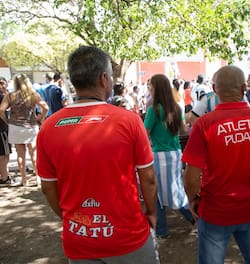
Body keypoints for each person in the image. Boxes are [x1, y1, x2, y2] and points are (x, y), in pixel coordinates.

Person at [36, 46, 159, 263]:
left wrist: (72, 220)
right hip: (127, 236)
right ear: (104, 78)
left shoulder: (48, 127)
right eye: (111, 77)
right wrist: (151, 212)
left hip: (79, 238)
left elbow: (48, 188)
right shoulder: (129, 121)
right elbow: (148, 178)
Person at [182, 65, 250, 264]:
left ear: (215, 89)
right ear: (244, 88)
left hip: (215, 210)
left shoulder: (205, 123)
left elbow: (192, 175)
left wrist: (193, 199)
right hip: (249, 207)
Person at [144, 74, 194, 238]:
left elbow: (145, 133)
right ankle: (192, 218)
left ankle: (163, 229)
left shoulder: (153, 109)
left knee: (159, 193)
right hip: (174, 153)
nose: (149, 87)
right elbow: (182, 130)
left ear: (156, 88)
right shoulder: (176, 107)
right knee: (174, 190)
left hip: (160, 155)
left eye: (150, 85)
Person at [0, 73, 48, 186]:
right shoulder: (32, 94)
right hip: (30, 127)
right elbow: (45, 107)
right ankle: (37, 178)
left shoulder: (10, 96)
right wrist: (40, 117)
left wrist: (7, 121)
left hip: (15, 127)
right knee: (33, 154)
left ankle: (24, 180)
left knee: (20, 155)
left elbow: (1, 110)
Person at [0, 76, 16, 187]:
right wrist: (7, 122)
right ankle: (5, 177)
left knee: (5, 153)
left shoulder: (6, 96)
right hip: (2, 129)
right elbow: (1, 111)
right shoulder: (2, 97)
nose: (1, 86)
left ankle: (5, 175)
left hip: (4, 129)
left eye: (2, 83)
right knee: (3, 154)